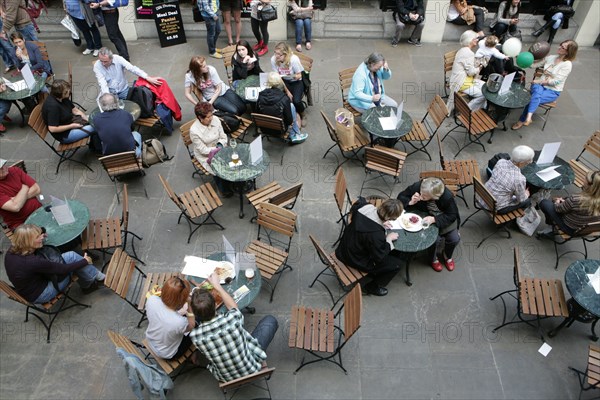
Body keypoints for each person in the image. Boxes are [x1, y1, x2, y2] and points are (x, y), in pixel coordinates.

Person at [189, 272, 279, 382]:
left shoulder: (195, 337)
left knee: (238, 336)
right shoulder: (232, 319)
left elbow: (192, 324)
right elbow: (233, 306)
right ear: (214, 305)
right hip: (252, 369)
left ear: (195, 314)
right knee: (270, 321)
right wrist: (217, 287)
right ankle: (259, 359)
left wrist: (189, 311)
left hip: (226, 379)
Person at [4, 224, 105, 303]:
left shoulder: (12, 251)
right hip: (42, 293)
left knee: (72, 256)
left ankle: (94, 279)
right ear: (28, 242)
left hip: (30, 287)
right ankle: (94, 282)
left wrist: (41, 231)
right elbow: (64, 269)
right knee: (76, 261)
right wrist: (85, 261)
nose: (42, 238)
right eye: (38, 237)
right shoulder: (33, 262)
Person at [335, 198, 404, 296]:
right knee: (397, 265)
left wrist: (381, 223)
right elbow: (379, 257)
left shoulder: (365, 206)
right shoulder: (376, 235)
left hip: (345, 246)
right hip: (353, 259)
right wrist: (388, 239)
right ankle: (371, 287)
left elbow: (357, 203)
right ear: (389, 218)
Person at [397, 178, 461, 272]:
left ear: (435, 196)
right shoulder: (417, 186)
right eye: (421, 193)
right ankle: (433, 259)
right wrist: (410, 201)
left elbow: (452, 214)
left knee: (454, 238)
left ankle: (447, 255)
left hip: (443, 217)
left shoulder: (446, 196)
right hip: (424, 216)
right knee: (434, 241)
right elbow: (400, 197)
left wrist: (435, 219)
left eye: (425, 196)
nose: (421, 196)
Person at [511, 40, 577, 130]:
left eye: (563, 47)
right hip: (539, 86)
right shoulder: (551, 57)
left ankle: (523, 119)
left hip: (552, 91)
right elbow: (533, 65)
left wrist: (539, 81)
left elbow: (556, 82)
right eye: (561, 45)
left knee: (533, 98)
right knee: (536, 94)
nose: (559, 47)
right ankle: (528, 118)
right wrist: (523, 58)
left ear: (568, 52)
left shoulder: (567, 65)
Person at [145, 277, 196, 360]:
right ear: (181, 300)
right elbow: (192, 325)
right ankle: (194, 353)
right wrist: (189, 305)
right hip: (168, 353)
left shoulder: (152, 299)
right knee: (197, 326)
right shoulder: (179, 322)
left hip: (151, 340)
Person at [538, 171, 600, 237]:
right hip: (586, 231)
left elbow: (558, 209)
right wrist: (567, 202)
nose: (583, 179)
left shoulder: (576, 199)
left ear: (590, 185)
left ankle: (551, 228)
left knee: (544, 203)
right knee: (565, 200)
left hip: (570, 228)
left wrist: (557, 202)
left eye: (585, 179)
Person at [190, 102, 233, 196]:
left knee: (233, 160)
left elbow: (223, 136)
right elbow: (203, 150)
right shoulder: (194, 131)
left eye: (211, 115)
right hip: (206, 155)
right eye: (208, 117)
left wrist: (220, 146)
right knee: (218, 168)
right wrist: (216, 150)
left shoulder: (216, 119)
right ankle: (223, 189)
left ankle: (232, 180)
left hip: (220, 147)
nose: (211, 118)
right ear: (200, 118)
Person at [256, 72, 308, 144]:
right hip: (280, 130)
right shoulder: (284, 99)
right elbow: (289, 121)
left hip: (265, 128)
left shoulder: (261, 95)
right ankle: (294, 135)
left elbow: (257, 112)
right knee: (292, 107)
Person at [94, 47, 162, 100]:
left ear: (111, 58)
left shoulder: (118, 59)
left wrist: (147, 77)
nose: (103, 64)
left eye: (105, 61)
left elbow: (132, 68)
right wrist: (107, 96)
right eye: (101, 61)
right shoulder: (97, 65)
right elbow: (102, 82)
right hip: (110, 92)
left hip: (123, 90)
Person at [483, 145, 534, 214]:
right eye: (529, 161)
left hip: (483, 196)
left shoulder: (501, 162)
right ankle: (512, 222)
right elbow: (521, 199)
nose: (530, 162)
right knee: (527, 201)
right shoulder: (519, 179)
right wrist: (526, 194)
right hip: (496, 207)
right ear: (521, 163)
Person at [42, 79, 95, 144]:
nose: (69, 91)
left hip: (72, 122)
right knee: (97, 127)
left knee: (96, 119)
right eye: (66, 91)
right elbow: (52, 128)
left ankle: (95, 145)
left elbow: (75, 110)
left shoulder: (62, 98)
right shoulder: (53, 107)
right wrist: (72, 126)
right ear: (61, 93)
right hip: (65, 135)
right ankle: (97, 147)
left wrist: (88, 119)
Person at [447, 30, 485, 113]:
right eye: (476, 38)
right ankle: (466, 111)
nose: (477, 40)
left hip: (464, 79)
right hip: (462, 82)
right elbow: (471, 72)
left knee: (485, 87)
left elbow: (468, 67)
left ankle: (482, 108)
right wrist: (479, 68)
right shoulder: (469, 53)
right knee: (482, 95)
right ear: (470, 40)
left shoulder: (463, 50)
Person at [270, 42, 306, 126]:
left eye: (279, 54)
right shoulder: (273, 59)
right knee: (279, 98)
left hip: (296, 82)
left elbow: (299, 74)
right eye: (275, 53)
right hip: (283, 81)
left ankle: (303, 114)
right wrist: (287, 91)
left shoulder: (293, 59)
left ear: (285, 54)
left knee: (296, 101)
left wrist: (295, 76)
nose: (276, 56)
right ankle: (286, 115)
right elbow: (278, 77)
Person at [0, 158, 41, 229]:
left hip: (38, 210)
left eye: (3, 164)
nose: (4, 167)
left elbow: (37, 189)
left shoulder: (14, 170)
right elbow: (15, 207)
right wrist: (24, 187)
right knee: (39, 238)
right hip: (21, 223)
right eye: (0, 168)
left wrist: (17, 199)